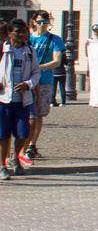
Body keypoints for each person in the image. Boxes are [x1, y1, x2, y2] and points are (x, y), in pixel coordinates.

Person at [0, 19, 41, 179]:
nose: (22, 34)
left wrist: (28, 84)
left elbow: (36, 72)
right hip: (4, 99)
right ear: (10, 33)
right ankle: (2, 165)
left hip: (23, 100)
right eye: (18, 31)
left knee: (23, 132)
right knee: (3, 135)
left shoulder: (29, 51)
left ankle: (15, 157)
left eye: (24, 31)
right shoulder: (3, 50)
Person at [22, 13, 65, 166]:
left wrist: (39, 68)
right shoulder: (28, 39)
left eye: (45, 22)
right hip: (27, 81)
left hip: (45, 80)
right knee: (27, 113)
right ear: (34, 22)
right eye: (40, 22)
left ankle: (32, 146)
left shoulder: (55, 39)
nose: (42, 24)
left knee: (39, 113)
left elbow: (57, 61)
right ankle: (23, 147)